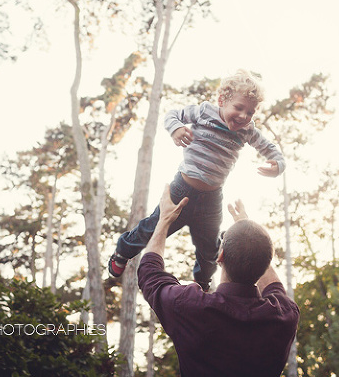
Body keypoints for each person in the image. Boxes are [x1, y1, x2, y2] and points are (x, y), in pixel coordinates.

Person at [108, 70, 285, 290]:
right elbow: (171, 115)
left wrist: (277, 165)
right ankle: (122, 252)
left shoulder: (247, 131)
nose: (243, 116)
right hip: (182, 189)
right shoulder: (203, 112)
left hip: (212, 198)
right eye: (238, 108)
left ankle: (202, 282)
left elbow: (270, 149)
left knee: (210, 247)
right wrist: (177, 129)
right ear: (222, 101)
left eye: (250, 112)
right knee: (154, 228)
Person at [138, 185, 300, 377]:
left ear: (220, 255)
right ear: (266, 263)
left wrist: (164, 221)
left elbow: (149, 273)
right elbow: (273, 284)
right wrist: (249, 234)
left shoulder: (190, 307)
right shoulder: (284, 316)